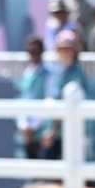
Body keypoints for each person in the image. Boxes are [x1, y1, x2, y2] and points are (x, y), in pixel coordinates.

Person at [39, 30, 89, 161]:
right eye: (61, 49)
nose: (64, 52)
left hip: (68, 132)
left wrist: (53, 131)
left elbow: (70, 105)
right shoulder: (58, 71)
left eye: (68, 49)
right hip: (55, 131)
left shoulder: (77, 73)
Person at [16, 36, 48, 160]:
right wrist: (23, 124)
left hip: (42, 129)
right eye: (30, 51)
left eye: (36, 51)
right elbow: (23, 98)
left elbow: (48, 99)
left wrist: (34, 125)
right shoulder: (27, 73)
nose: (33, 55)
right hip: (28, 129)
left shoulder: (49, 73)